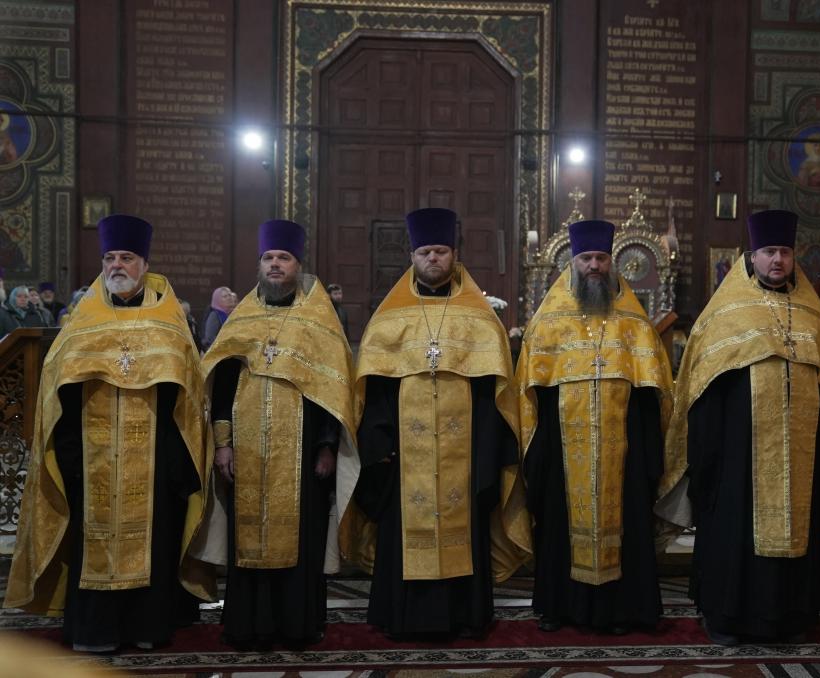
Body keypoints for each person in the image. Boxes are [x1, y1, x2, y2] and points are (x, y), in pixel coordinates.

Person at [3, 214, 214, 651]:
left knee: (153, 543)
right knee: (91, 541)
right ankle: (94, 631)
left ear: (145, 264)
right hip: (91, 459)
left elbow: (188, 399)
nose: (117, 265)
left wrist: (176, 467)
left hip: (154, 465)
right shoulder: (83, 321)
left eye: (127, 257)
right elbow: (58, 391)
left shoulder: (169, 323)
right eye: (110, 257)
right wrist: (68, 458)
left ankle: (146, 629)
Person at [659, 209, 820, 645]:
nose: (777, 260)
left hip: (800, 457)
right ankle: (728, 618)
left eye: (784, 252)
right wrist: (708, 456)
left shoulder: (813, 317)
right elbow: (700, 389)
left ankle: (791, 619)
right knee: (735, 537)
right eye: (769, 252)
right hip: (738, 458)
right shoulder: (724, 315)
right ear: (752, 256)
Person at [348, 207, 530, 639]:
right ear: (412, 257)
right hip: (403, 459)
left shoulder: (480, 319)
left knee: (465, 527)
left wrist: (485, 457)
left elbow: (493, 395)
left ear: (454, 255)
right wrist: (380, 446)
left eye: (441, 251)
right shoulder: (388, 320)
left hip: (464, 459)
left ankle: (466, 616)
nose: (433, 258)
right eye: (425, 251)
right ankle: (403, 617)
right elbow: (375, 391)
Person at [193, 219, 359, 650]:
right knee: (246, 538)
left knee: (301, 540)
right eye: (268, 257)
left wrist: (327, 447)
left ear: (297, 265)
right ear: (259, 265)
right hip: (246, 453)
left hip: (303, 454)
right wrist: (223, 444)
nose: (275, 264)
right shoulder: (242, 319)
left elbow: (333, 391)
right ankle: (247, 626)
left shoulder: (319, 321)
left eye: (283, 257)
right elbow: (221, 386)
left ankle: (297, 627)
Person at [516, 219, 673, 635]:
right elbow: (532, 395)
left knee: (627, 525)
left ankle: (623, 610)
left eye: (601, 258)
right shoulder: (549, 322)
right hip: (561, 452)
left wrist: (649, 455)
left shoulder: (635, 323)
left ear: (612, 262)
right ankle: (558, 606)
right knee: (558, 524)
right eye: (586, 258)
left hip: (625, 454)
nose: (594, 266)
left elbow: (651, 395)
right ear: (573, 262)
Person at [201, 286, 236, 350]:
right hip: (221, 352)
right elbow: (210, 337)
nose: (229, 298)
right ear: (217, 300)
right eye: (225, 296)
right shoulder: (215, 315)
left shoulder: (234, 313)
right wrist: (227, 345)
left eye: (230, 295)